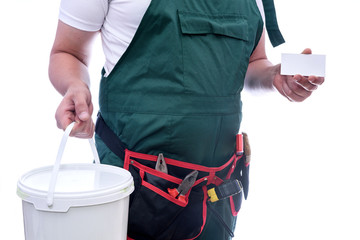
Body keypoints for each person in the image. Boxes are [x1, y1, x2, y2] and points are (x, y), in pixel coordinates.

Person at [49, 0, 324, 239]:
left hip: (216, 198)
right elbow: (68, 52)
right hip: (134, 194)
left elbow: (252, 63)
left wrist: (275, 77)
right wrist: (75, 86)